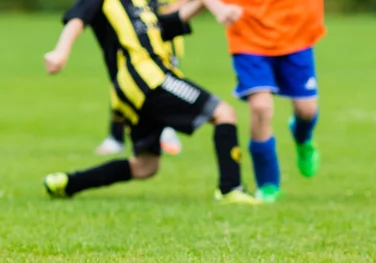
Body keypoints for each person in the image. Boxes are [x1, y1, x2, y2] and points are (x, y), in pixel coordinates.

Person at [43, 0, 260, 205]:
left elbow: (165, 27)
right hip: (150, 80)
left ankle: (68, 183)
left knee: (145, 166)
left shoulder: (145, 5)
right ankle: (230, 189)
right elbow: (78, 17)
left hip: (135, 89)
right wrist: (61, 51)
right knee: (224, 113)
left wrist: (202, 4)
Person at [224, 0, 326, 202]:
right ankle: (268, 184)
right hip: (248, 31)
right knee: (260, 108)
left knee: (306, 110)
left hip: (296, 32)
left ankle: (303, 138)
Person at [95, 0, 187, 156]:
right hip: (138, 43)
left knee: (165, 85)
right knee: (125, 86)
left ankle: (166, 129)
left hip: (165, 41)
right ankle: (116, 136)